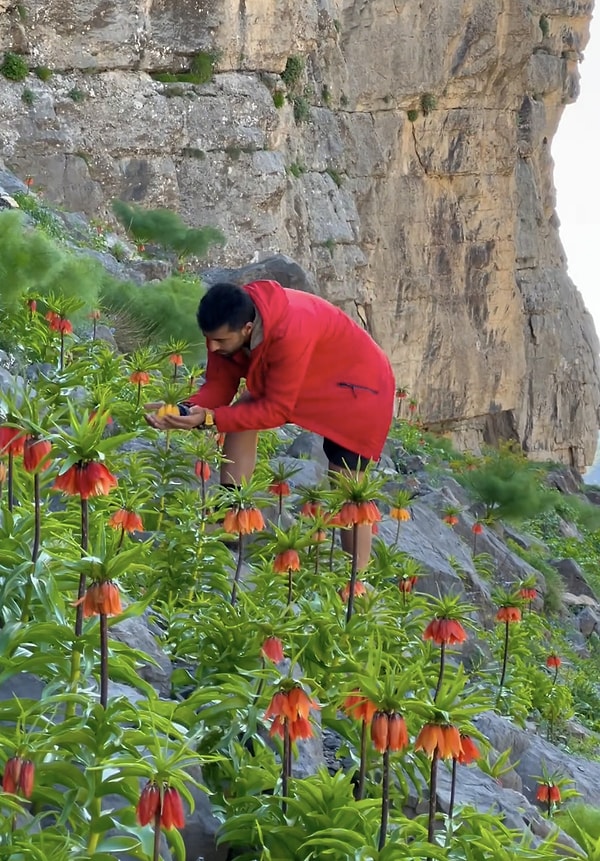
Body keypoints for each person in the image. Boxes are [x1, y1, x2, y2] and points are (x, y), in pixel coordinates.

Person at [146, 280, 395, 568]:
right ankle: (232, 517)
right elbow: (219, 386)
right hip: (305, 372)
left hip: (359, 386)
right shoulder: (228, 327)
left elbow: (276, 410)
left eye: (220, 341)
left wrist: (212, 418)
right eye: (209, 339)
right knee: (243, 412)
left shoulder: (290, 331)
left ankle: (356, 584)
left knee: (349, 483)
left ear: (247, 330)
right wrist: (184, 409)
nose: (213, 348)